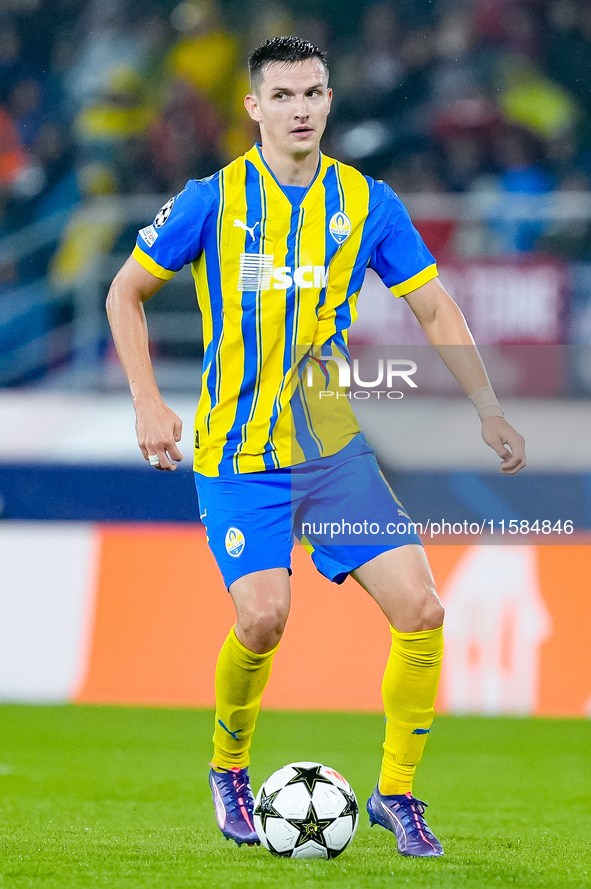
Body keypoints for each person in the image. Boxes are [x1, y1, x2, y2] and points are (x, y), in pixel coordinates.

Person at [106, 36, 526, 858]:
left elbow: (435, 308)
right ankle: (228, 765)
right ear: (253, 107)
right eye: (285, 95)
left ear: (329, 102)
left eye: (314, 93)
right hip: (236, 453)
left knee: (423, 609)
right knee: (262, 618)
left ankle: (396, 792)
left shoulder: (367, 203)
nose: (301, 108)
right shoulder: (210, 199)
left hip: (331, 451)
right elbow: (125, 290)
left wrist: (488, 406)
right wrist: (148, 403)